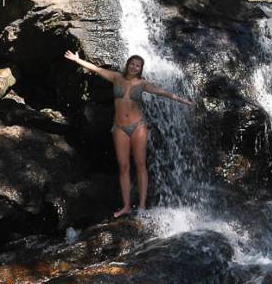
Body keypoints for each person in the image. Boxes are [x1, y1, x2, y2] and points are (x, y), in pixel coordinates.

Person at [64, 50, 194, 217]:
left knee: (140, 165)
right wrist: (77, 60)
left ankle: (141, 205)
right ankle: (125, 206)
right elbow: (95, 69)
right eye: (132, 64)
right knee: (123, 166)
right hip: (119, 128)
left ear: (141, 69)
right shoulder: (116, 77)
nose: (134, 67)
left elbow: (164, 92)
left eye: (138, 65)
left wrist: (185, 101)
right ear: (128, 65)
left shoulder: (142, 84)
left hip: (138, 126)